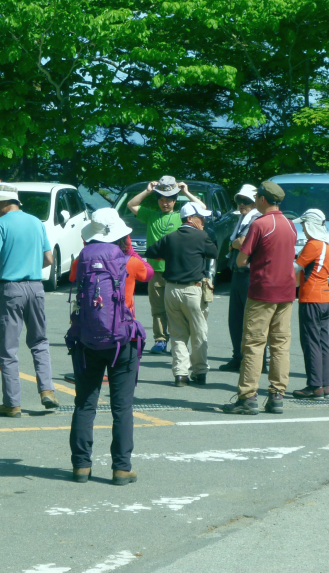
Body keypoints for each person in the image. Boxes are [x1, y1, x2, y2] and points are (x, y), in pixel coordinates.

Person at [67, 209, 150, 486]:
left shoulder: (82, 260)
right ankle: (121, 469)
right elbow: (148, 273)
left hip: (87, 339)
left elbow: (71, 278)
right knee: (122, 408)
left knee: (85, 404)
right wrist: (131, 251)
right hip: (122, 340)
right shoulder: (128, 261)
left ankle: (81, 466)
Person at [0, 183, 59, 417]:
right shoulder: (36, 222)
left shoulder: (0, 225)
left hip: (11, 288)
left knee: (8, 349)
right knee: (39, 341)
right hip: (36, 287)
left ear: (5, 203)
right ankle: (47, 390)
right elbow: (48, 259)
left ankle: (12, 402)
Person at [223, 181, 298, 416]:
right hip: (286, 292)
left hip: (263, 290)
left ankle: (248, 396)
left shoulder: (260, 224)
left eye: (257, 198)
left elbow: (241, 261)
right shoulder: (290, 224)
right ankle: (277, 395)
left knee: (254, 344)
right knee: (280, 345)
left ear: (263, 199)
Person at [145, 200, 218, 387]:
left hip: (171, 289)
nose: (203, 221)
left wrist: (169, 255)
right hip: (193, 290)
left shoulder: (170, 237)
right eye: (201, 218)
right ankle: (200, 372)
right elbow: (214, 253)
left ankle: (180, 374)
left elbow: (151, 252)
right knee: (199, 332)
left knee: (177, 334)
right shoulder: (201, 237)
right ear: (191, 218)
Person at [126, 175, 202, 355]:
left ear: (175, 201)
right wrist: (147, 191)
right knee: (158, 308)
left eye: (168, 200)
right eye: (161, 199)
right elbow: (131, 205)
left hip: (177, 271)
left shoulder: (181, 217)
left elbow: (202, 208)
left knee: (179, 309)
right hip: (156, 271)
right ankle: (160, 339)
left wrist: (186, 192)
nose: (164, 203)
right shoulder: (151, 215)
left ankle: (180, 341)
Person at [291, 208, 329, 400]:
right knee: (323, 342)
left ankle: (314, 386)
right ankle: (326, 385)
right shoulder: (327, 245)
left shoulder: (313, 244)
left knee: (310, 343)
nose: (302, 227)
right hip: (325, 298)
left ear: (310, 224)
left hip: (311, 298)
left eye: (303, 224)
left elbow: (296, 268)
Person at [220, 184, 261, 372]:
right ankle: (238, 356)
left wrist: (233, 244)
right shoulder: (243, 219)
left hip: (249, 274)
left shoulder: (257, 219)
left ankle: (257, 361)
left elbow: (243, 242)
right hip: (238, 273)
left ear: (255, 202)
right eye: (239, 200)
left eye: (246, 201)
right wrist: (233, 243)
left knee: (252, 320)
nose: (242, 204)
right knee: (235, 319)